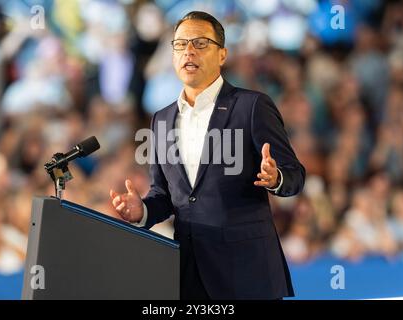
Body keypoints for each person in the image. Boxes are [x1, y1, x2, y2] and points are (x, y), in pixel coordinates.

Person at [110, 11, 305, 300]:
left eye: (200, 43)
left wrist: (276, 177)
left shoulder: (251, 106)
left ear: (222, 54)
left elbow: (295, 175)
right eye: (180, 44)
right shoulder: (160, 120)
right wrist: (144, 211)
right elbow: (166, 193)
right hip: (189, 277)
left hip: (247, 275)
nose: (189, 51)